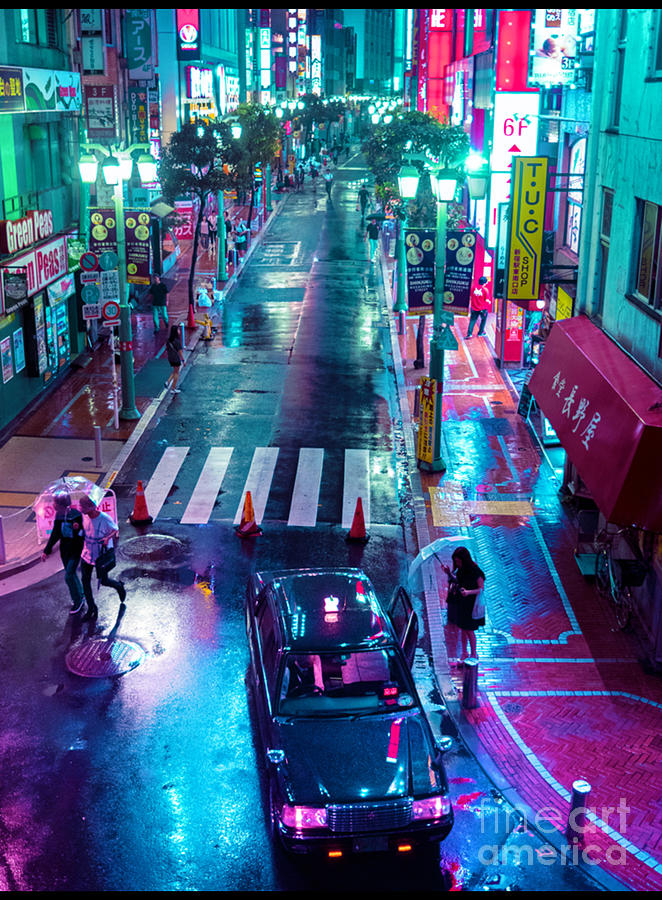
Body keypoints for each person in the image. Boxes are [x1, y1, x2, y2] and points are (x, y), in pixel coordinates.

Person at [79, 495, 125, 620]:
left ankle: (119, 586)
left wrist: (107, 538)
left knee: (104, 581)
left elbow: (115, 530)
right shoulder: (83, 517)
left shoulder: (104, 518)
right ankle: (91, 608)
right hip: (87, 553)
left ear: (91, 507)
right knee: (85, 581)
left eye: (82, 506)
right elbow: (83, 531)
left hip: (100, 554)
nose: (80, 509)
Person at [41, 493, 85, 615]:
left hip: (75, 550)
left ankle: (78, 601)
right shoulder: (59, 516)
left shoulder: (76, 515)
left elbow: (82, 532)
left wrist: (77, 528)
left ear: (61, 504)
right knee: (71, 574)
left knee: (68, 576)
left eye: (55, 502)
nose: (53, 504)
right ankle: (81, 594)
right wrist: (46, 550)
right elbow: (55, 534)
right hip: (64, 550)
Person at [441, 547, 485, 663]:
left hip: (471, 604)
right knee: (463, 629)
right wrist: (448, 573)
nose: (457, 563)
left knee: (469, 630)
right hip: (461, 603)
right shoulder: (460, 570)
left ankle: (473, 653)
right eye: (456, 561)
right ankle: (464, 652)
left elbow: (481, 589)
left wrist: (468, 592)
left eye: (459, 561)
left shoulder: (475, 571)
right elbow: (457, 581)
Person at [164, 324, 185, 393]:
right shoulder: (177, 341)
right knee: (176, 373)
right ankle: (173, 388)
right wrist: (183, 360)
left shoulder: (169, 340)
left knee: (174, 370)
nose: (179, 331)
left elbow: (166, 348)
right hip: (176, 358)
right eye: (178, 330)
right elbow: (180, 352)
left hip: (170, 357)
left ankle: (168, 382)